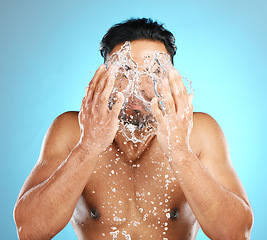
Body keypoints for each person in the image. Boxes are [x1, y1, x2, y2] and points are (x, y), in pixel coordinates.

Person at [14, 18, 254, 240]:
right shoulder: (72, 131)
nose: (137, 85)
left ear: (170, 78)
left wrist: (180, 152)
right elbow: (29, 230)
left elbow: (237, 233)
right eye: (124, 71)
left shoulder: (198, 133)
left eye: (153, 71)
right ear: (104, 75)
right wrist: (88, 147)